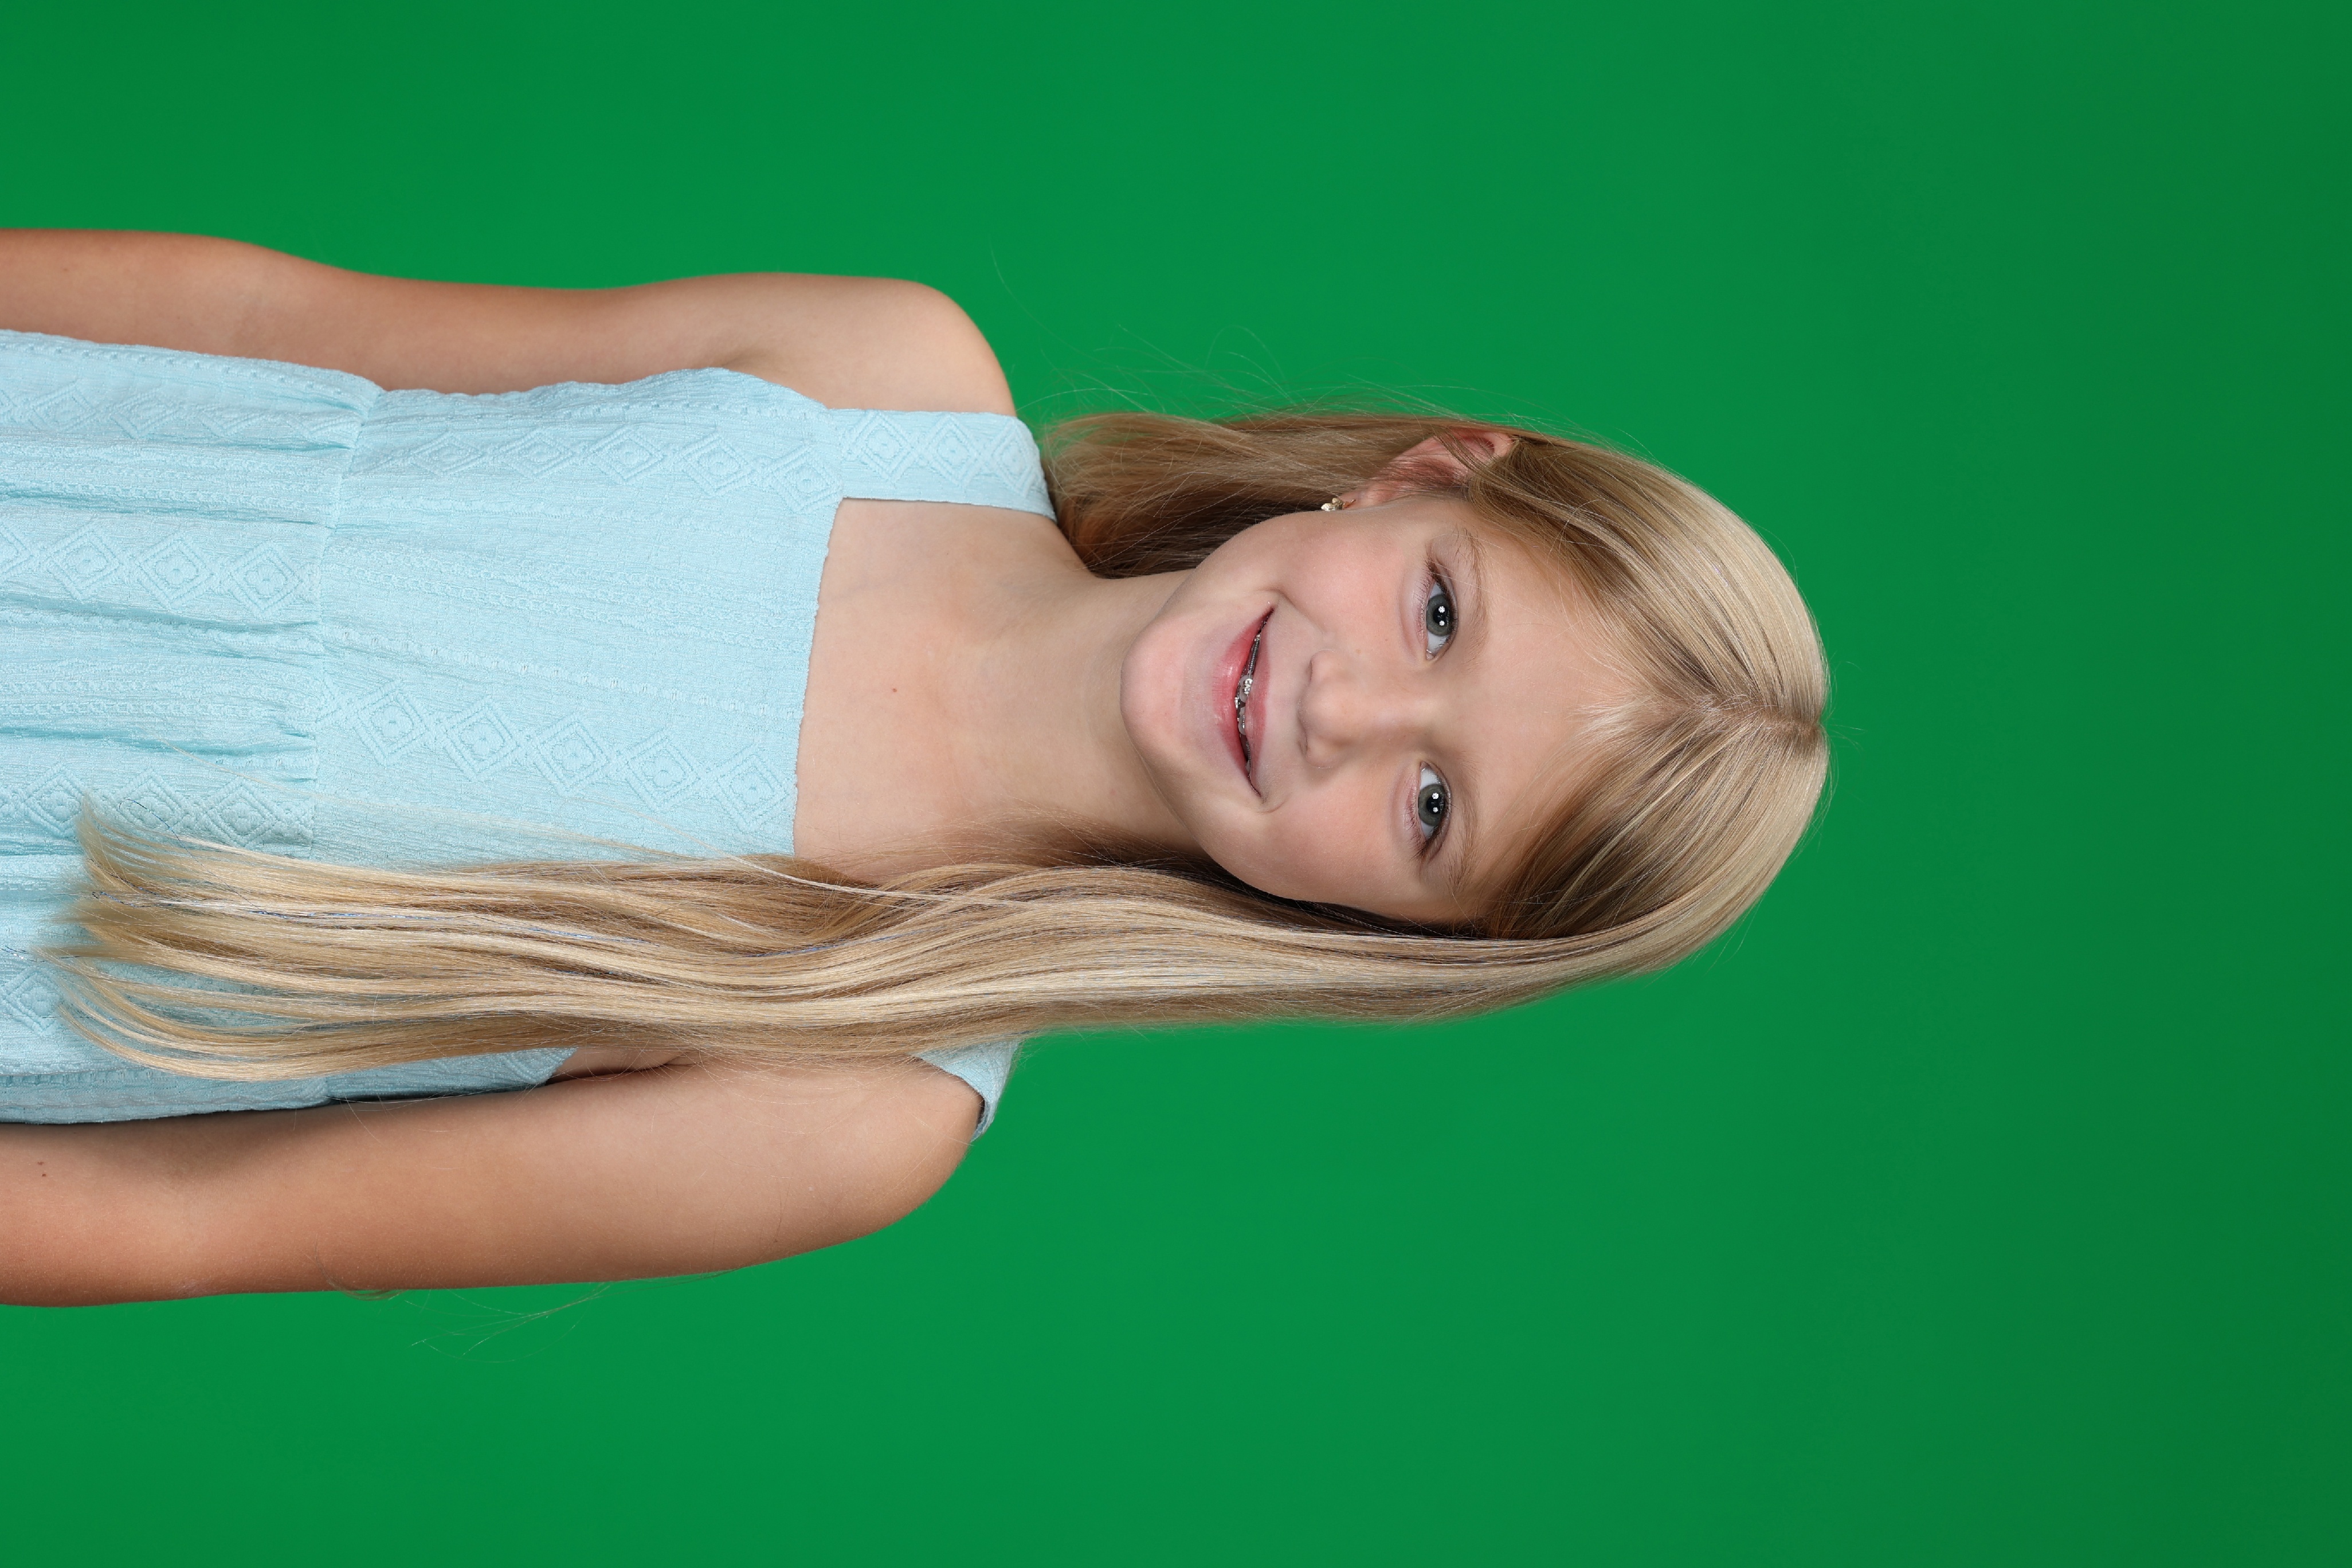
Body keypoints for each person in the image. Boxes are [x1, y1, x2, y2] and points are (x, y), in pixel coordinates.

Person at [0, 230, 1828, 1306]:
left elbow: (184, 1217)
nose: (1347, 712)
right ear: (1420, 478)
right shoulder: (874, 375)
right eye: (1439, 614)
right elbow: (263, 319)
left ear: (1401, 935)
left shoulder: (858, 1092)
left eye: (1432, 810)